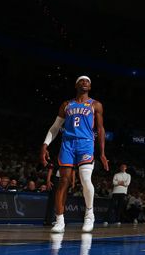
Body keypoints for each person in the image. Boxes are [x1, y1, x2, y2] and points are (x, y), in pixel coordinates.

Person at [40, 75, 109, 233]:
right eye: (81, 80)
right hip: (68, 144)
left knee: (85, 179)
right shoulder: (66, 104)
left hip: (86, 143)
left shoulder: (95, 104)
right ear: (76, 84)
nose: (85, 82)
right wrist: (45, 144)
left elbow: (100, 129)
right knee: (63, 182)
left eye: (88, 81)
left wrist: (102, 153)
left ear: (90, 87)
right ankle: (59, 220)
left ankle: (89, 214)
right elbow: (55, 127)